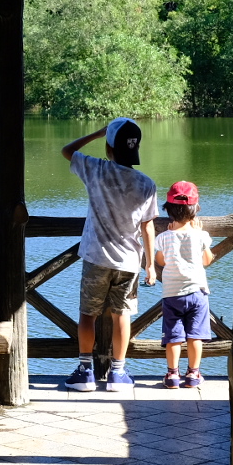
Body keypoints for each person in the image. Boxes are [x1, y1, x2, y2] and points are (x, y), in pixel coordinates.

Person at [61, 118, 157, 392]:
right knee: (122, 315)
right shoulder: (146, 183)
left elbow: (67, 151)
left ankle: (85, 372)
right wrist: (150, 265)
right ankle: (118, 373)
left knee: (87, 315)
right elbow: (148, 228)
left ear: (109, 147)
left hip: (96, 257)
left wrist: (97, 133)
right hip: (129, 262)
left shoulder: (96, 170)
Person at [154, 181, 215, 388]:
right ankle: (193, 374)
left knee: (173, 337)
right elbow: (207, 260)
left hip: (171, 294)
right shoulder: (201, 236)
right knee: (195, 335)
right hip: (197, 292)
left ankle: (172, 375)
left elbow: (160, 261)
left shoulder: (164, 237)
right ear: (195, 210)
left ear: (168, 210)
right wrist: (200, 237)